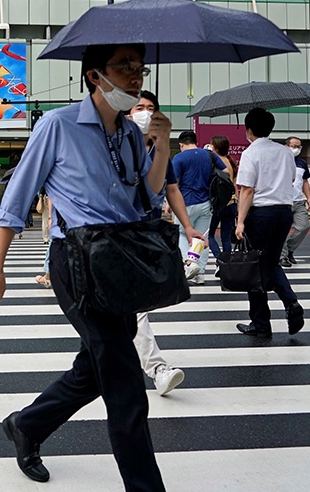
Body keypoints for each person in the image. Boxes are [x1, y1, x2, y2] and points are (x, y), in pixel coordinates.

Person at [0, 43, 168, 489]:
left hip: (122, 262)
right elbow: (17, 198)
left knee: (97, 365)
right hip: (77, 262)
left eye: (139, 68)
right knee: (125, 381)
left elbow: (146, 197)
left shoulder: (128, 133)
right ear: (93, 76)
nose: (134, 76)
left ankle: (27, 425)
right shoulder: (58, 125)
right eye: (123, 67)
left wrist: (161, 147)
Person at [129, 89, 200, 395]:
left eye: (150, 108)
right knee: (134, 306)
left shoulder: (161, 152)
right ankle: (157, 368)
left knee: (130, 307)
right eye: (139, 107)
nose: (145, 113)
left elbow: (172, 189)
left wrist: (188, 227)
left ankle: (139, 364)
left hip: (149, 232)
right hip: (118, 234)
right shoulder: (116, 146)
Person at [234, 108, 307, 337]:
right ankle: (291, 303)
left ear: (248, 130)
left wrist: (240, 221)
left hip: (261, 213)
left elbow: (247, 190)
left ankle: (261, 323)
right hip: (283, 212)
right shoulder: (285, 152)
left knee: (254, 267)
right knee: (272, 262)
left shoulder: (250, 153)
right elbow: (293, 179)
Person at [171, 130, 228, 284]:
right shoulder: (209, 155)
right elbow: (225, 171)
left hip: (185, 202)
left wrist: (169, 204)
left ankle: (189, 263)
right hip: (206, 201)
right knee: (201, 237)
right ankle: (200, 273)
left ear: (181, 144)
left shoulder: (179, 157)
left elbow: (173, 184)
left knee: (182, 234)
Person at [279, 136, 310, 268]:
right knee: (282, 230)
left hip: (298, 200)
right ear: (286, 146)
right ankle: (282, 256)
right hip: (282, 200)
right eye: (294, 146)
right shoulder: (279, 160)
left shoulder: (302, 163)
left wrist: (309, 197)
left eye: (299, 146)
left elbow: (304, 181)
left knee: (304, 226)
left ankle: (289, 249)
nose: (296, 149)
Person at [206, 136, 238, 262]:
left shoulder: (215, 161)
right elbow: (234, 185)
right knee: (225, 237)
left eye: (211, 145)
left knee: (210, 235)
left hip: (219, 203)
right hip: (232, 202)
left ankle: (219, 259)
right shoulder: (231, 162)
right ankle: (227, 263)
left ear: (216, 147)